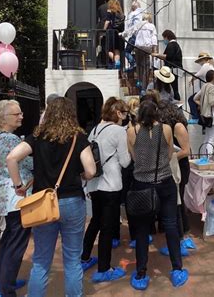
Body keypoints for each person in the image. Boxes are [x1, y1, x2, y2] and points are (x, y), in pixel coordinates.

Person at [6, 97, 96, 297]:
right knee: (73, 260)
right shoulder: (78, 137)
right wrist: (80, 175)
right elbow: (91, 170)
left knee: (40, 260)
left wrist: (18, 186)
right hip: (72, 201)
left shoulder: (37, 137)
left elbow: (11, 157)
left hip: (43, 202)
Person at [126, 100, 188, 290]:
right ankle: (177, 267)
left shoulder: (132, 131)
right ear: (156, 114)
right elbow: (169, 155)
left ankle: (141, 272)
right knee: (170, 224)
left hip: (141, 184)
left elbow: (133, 157)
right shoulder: (166, 129)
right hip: (164, 182)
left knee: (142, 229)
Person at [0, 100, 33, 297]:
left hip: (6, 199)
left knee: (7, 242)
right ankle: (6, 290)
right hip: (17, 199)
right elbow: (31, 161)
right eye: (17, 114)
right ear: (4, 118)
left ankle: (3, 282)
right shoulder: (10, 140)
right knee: (15, 245)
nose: (21, 116)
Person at [81, 97, 131, 283]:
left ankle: (84, 257)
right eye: (124, 113)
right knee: (107, 227)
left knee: (95, 221)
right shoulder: (118, 131)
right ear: (118, 113)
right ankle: (104, 268)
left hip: (94, 184)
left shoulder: (93, 130)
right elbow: (125, 161)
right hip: (111, 184)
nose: (126, 116)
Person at [157, 101, 195, 253]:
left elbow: (186, 151)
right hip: (173, 166)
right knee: (177, 202)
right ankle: (183, 233)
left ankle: (180, 238)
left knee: (177, 202)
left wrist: (168, 157)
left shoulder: (178, 126)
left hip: (180, 167)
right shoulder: (167, 127)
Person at [194, 70, 214, 155]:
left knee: (207, 137)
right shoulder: (212, 87)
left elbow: (195, 98)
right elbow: (212, 102)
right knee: (212, 138)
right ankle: (208, 158)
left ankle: (203, 157)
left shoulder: (204, 86)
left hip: (205, 114)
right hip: (212, 114)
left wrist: (203, 105)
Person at [152, 30, 183, 100]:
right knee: (174, 87)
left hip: (173, 69)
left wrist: (157, 55)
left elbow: (168, 56)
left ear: (166, 37)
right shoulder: (175, 45)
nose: (163, 40)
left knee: (173, 88)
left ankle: (176, 101)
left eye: (164, 38)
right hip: (176, 69)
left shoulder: (171, 45)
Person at [187, 52, 214, 124]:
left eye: (201, 60)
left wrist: (192, 79)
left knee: (191, 99)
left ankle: (195, 117)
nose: (200, 62)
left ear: (205, 59)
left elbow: (197, 75)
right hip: (210, 88)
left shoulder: (206, 66)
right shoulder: (211, 66)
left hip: (206, 88)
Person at [133, 12, 158, 92]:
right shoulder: (151, 26)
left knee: (139, 65)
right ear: (150, 18)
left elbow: (133, 34)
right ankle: (143, 87)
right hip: (147, 48)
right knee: (146, 68)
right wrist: (154, 50)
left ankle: (139, 82)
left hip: (138, 47)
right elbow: (154, 38)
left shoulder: (138, 25)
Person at [122, 1, 143, 70]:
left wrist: (124, 34)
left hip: (135, 35)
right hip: (143, 36)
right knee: (140, 52)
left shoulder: (133, 14)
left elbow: (129, 26)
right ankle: (139, 65)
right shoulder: (143, 14)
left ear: (133, 7)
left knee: (126, 51)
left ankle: (133, 63)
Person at [104, 0, 124, 69]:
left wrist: (103, 30)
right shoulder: (120, 13)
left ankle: (115, 62)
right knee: (116, 50)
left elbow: (107, 22)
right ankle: (118, 62)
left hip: (111, 32)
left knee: (107, 50)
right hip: (118, 33)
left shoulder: (110, 11)